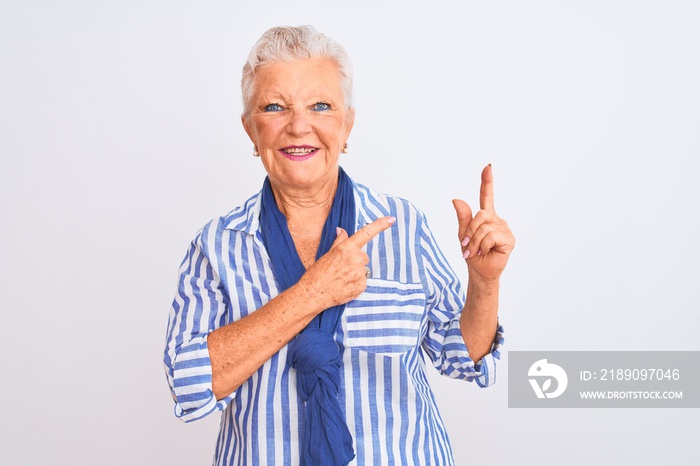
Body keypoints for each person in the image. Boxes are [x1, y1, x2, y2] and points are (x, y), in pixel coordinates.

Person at [164, 25, 515, 466]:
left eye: (321, 106)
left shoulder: (402, 224)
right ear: (251, 130)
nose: (298, 126)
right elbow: (189, 385)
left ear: (347, 124)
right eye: (275, 107)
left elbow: (461, 357)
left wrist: (484, 283)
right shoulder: (215, 246)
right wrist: (312, 293)